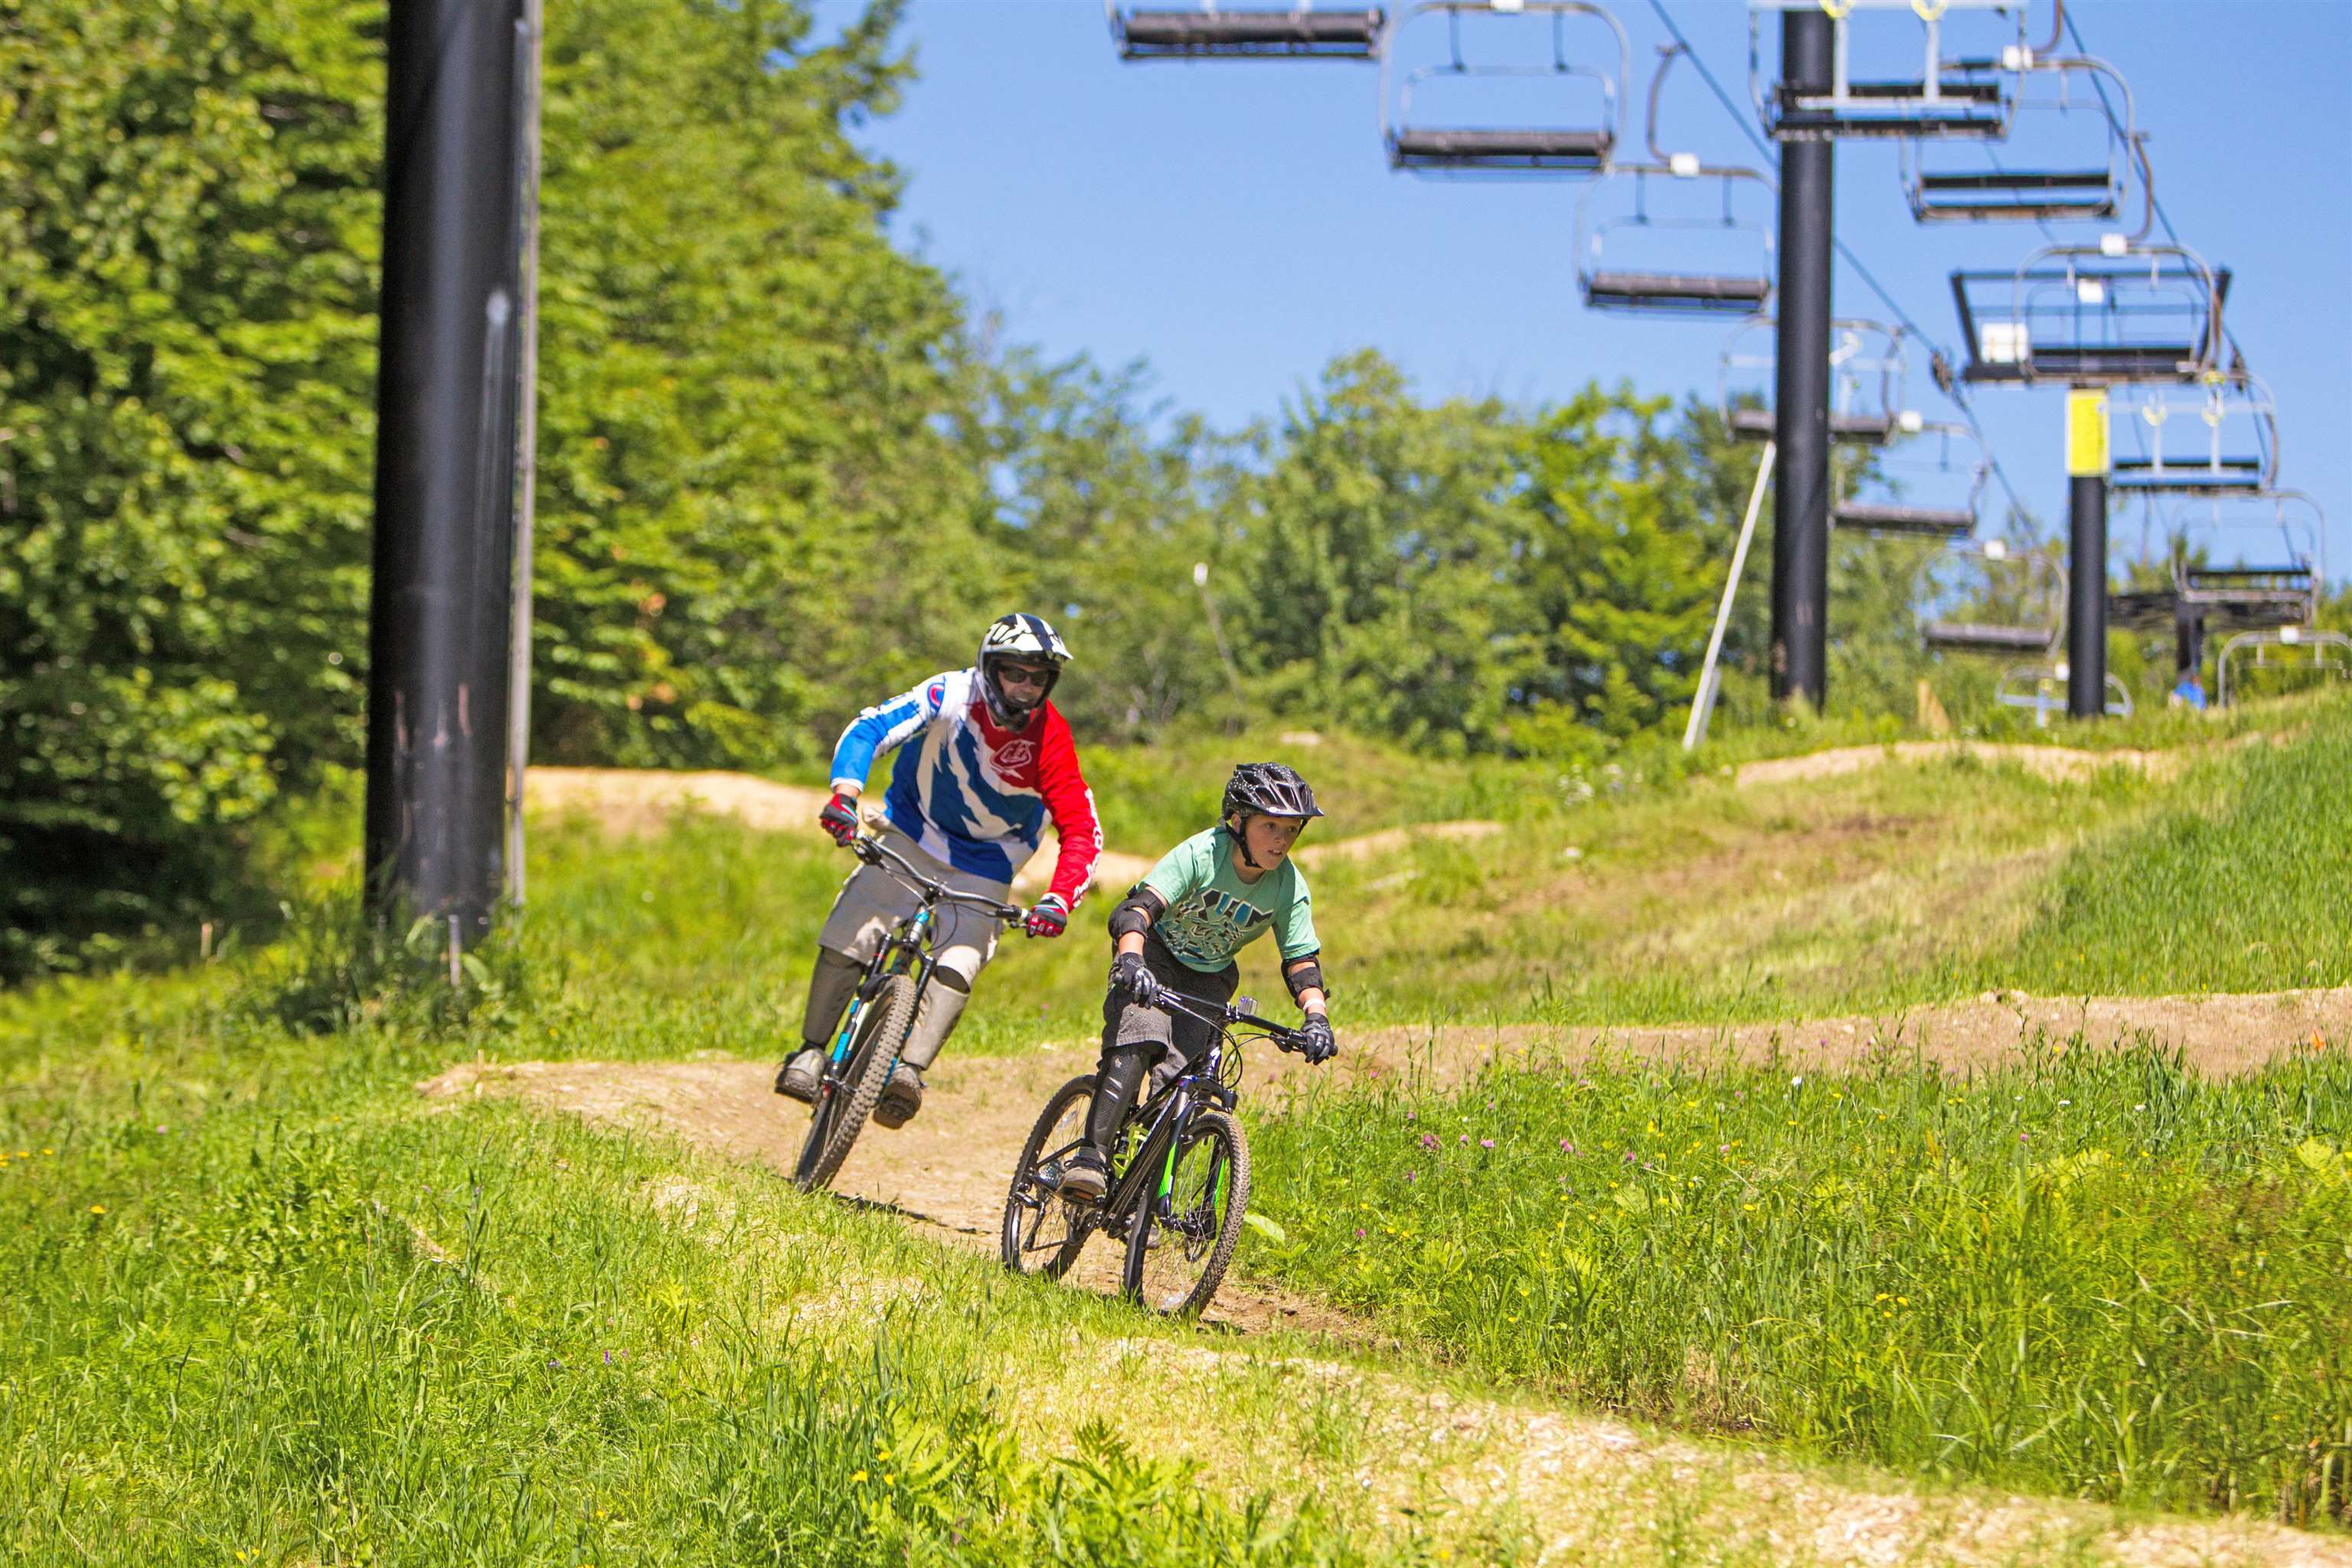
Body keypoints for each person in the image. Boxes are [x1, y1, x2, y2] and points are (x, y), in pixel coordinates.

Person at [775, 614, 1103, 1128]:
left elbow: (1082, 829)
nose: (1024, 687)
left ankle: (908, 1071)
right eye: (1013, 673)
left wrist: (1058, 899)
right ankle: (811, 1051)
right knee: (853, 929)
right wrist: (845, 796)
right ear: (988, 669)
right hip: (913, 827)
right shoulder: (949, 694)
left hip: (989, 858)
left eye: (1037, 678)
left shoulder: (1051, 737)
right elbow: (872, 727)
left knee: (962, 956)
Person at [1057, 762, 1338, 1204]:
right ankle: (1090, 1159)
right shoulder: (1201, 853)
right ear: (1238, 821)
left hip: (1210, 976)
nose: (1282, 841)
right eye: (1270, 826)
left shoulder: (1288, 886)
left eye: (1292, 829)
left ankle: (1140, 1200)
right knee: (1140, 1038)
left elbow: (1301, 960)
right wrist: (1131, 959)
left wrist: (1316, 1018)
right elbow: (1137, 910)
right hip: (1154, 955)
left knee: (1182, 1085)